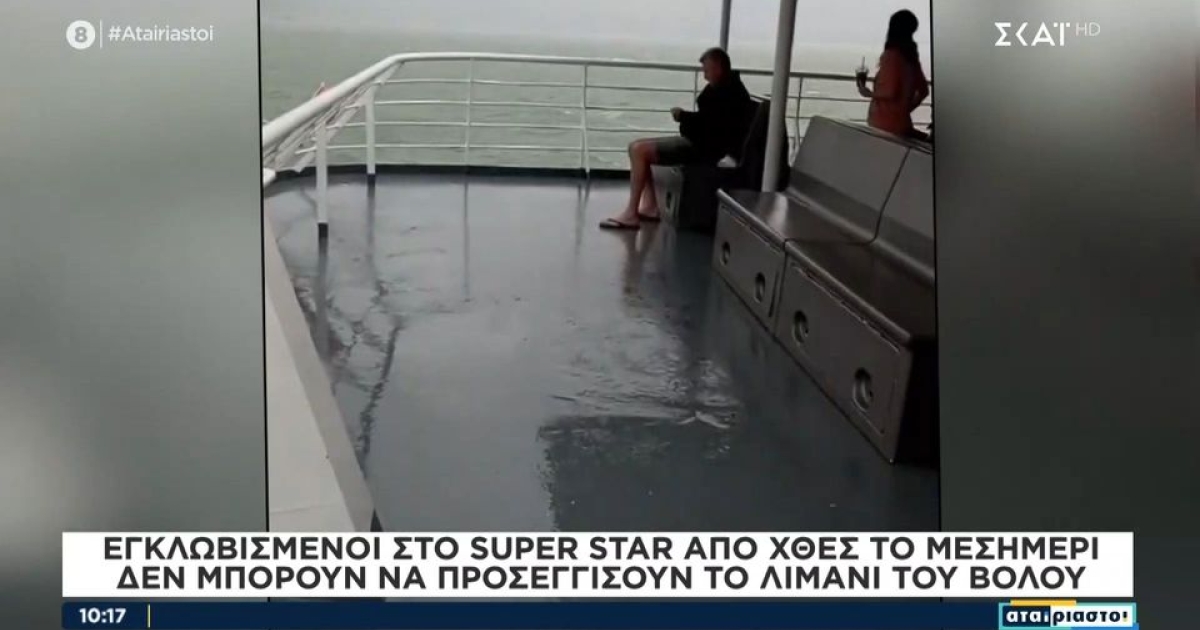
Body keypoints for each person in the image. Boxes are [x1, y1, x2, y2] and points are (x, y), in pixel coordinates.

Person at [600, 47, 753, 230]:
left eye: (707, 70)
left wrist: (683, 117)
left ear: (718, 68)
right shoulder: (727, 90)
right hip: (706, 144)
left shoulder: (729, 94)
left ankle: (631, 214)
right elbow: (710, 122)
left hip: (706, 150)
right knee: (637, 147)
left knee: (639, 150)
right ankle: (650, 207)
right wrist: (687, 118)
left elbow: (712, 130)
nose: (705, 76)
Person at [856, 10, 930, 141]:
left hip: (883, 126)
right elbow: (924, 91)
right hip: (902, 124)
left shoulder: (892, 56)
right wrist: (904, 110)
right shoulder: (911, 58)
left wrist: (868, 93)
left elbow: (890, 92)